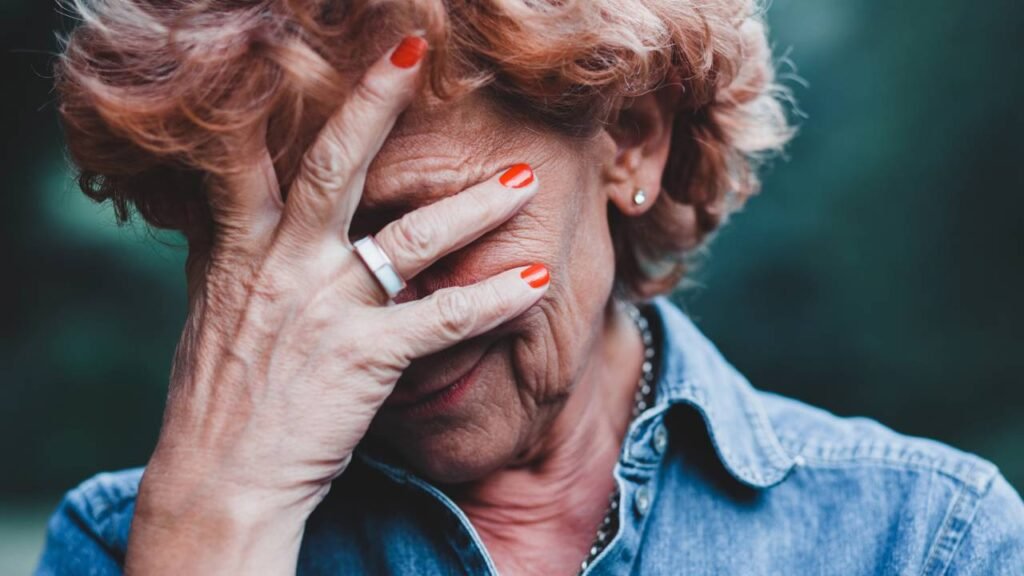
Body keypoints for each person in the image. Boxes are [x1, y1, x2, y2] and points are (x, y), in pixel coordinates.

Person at [36, 1, 1024, 574]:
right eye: (285, 262)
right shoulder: (126, 545)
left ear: (631, 139)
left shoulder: (920, 539)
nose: (370, 316)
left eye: (418, 227)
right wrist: (218, 526)